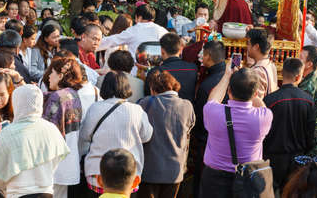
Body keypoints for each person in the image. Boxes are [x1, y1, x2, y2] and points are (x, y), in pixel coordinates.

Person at [199, 67, 273, 198]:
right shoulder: (264, 117)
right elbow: (261, 105)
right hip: (248, 178)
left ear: (229, 91)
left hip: (214, 179)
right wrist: (250, 88)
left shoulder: (212, 112)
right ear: (255, 94)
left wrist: (227, 75)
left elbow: (213, 99)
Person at [0, 84, 70, 197]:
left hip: (17, 194)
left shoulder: (8, 133)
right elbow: (57, 161)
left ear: (16, 103)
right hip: (46, 193)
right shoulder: (51, 128)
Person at [79, 71, 153, 196]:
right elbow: (147, 136)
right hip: (128, 176)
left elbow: (85, 136)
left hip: (98, 174)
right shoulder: (136, 110)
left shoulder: (95, 108)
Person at [137, 69, 195, 198]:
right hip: (175, 170)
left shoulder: (145, 103)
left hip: (149, 169)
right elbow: (190, 128)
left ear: (153, 89)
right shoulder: (187, 106)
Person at [263, 58, 315, 195]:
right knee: (292, 192)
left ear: (282, 73)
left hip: (272, 156)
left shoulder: (270, 100)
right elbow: (311, 132)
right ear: (298, 76)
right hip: (297, 156)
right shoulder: (308, 100)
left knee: (271, 191)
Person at [42, 57, 85, 197]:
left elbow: (47, 129)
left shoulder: (57, 97)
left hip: (54, 163)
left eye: (52, 73)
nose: (48, 76)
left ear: (60, 76)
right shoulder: (73, 94)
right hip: (69, 160)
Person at [192, 40, 226, 196]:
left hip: (208, 142)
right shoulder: (231, 77)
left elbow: (200, 119)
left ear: (208, 56)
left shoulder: (208, 85)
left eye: (202, 54)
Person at [98, 4, 168, 65]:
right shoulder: (163, 31)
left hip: (136, 72)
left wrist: (92, 44)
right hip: (158, 72)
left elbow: (112, 40)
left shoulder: (134, 30)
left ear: (139, 17)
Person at [145, 33, 198, 101]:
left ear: (162, 51)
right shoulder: (193, 68)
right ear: (180, 49)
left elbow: (148, 98)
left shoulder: (155, 72)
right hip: (187, 110)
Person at [298, 45, 317, 155]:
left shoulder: (308, 85)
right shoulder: (315, 75)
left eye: (301, 58)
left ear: (309, 64)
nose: (297, 59)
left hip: (313, 136)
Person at [246, 28, 278, 100]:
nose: (247, 47)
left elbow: (256, 101)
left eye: (248, 44)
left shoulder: (257, 71)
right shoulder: (271, 64)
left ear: (256, 47)